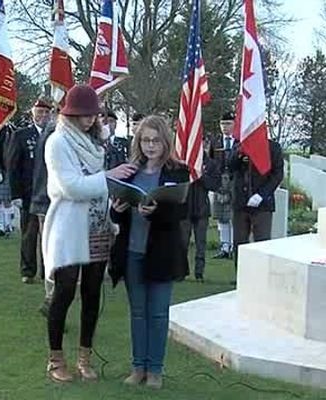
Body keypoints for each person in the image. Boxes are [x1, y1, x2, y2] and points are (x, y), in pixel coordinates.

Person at [42, 84, 137, 383]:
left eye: (92, 115)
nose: (88, 120)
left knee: (92, 292)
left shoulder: (97, 143)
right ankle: (55, 358)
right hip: (69, 225)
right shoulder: (57, 142)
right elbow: (71, 186)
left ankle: (85, 356)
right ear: (69, 115)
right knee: (65, 290)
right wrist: (108, 178)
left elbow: (98, 186)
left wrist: (115, 194)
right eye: (82, 115)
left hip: (97, 224)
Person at [109, 115, 189, 390]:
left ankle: (155, 370)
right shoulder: (130, 172)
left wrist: (156, 212)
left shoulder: (177, 172)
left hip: (162, 253)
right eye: (145, 140)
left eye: (155, 140)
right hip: (132, 251)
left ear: (165, 141)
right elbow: (118, 211)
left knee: (158, 313)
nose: (150, 145)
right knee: (138, 313)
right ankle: (138, 367)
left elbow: (182, 211)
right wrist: (116, 211)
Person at [5, 98, 52, 284]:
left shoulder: (54, 135)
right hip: (28, 193)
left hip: (50, 193)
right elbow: (12, 166)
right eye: (39, 112)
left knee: (48, 235)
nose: (43, 116)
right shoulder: (21, 135)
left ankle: (47, 271)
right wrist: (15, 194)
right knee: (29, 234)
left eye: (46, 112)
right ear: (32, 113)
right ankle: (28, 270)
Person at [230, 138, 284, 278]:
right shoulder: (239, 146)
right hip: (241, 204)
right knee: (239, 243)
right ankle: (241, 278)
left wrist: (262, 195)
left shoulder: (273, 147)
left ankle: (261, 277)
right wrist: (239, 153)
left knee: (262, 242)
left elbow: (277, 174)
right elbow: (229, 166)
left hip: (262, 205)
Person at [30, 112, 57, 316]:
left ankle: (53, 296)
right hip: (49, 201)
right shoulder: (52, 136)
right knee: (53, 252)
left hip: (49, 200)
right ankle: (52, 297)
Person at [181, 144, 219, 282]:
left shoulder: (210, 164)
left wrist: (200, 175)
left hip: (202, 208)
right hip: (185, 207)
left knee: (201, 243)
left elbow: (215, 184)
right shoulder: (183, 160)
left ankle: (199, 272)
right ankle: (181, 271)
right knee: (183, 242)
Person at [212, 112, 236, 259]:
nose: (225, 127)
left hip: (235, 181)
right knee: (221, 216)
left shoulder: (239, 140)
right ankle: (225, 246)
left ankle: (233, 245)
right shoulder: (216, 141)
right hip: (219, 181)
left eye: (228, 124)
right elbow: (211, 161)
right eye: (222, 124)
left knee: (233, 215)